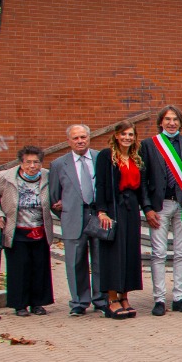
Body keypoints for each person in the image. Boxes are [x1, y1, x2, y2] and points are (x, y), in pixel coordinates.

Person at [138, 106, 182, 314]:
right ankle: (159, 299)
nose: (171, 123)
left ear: (181, 123)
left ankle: (179, 297)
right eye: (167, 119)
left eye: (175, 119)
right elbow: (143, 179)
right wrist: (147, 208)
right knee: (158, 253)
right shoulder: (149, 144)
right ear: (161, 122)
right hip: (159, 205)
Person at [0, 146, 55, 316]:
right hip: (16, 230)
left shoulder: (48, 176)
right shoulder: (6, 177)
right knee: (19, 268)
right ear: (21, 163)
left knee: (40, 266)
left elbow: (57, 194)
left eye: (36, 162)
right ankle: (20, 304)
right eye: (28, 162)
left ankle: (37, 303)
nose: (32, 166)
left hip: (40, 229)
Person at [92, 122, 151, 319]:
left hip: (131, 207)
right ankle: (111, 298)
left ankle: (124, 295)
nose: (127, 137)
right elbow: (100, 184)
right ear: (116, 135)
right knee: (113, 252)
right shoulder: (106, 156)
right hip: (112, 207)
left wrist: (148, 209)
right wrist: (101, 211)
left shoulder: (136, 158)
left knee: (129, 252)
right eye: (124, 134)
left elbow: (141, 188)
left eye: (131, 134)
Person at [49, 125, 104, 316]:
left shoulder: (101, 158)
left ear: (89, 138)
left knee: (100, 259)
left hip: (97, 215)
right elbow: (54, 197)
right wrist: (66, 213)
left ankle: (101, 298)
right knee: (75, 261)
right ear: (69, 141)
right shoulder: (58, 164)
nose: (80, 141)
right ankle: (79, 302)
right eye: (76, 138)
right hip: (73, 217)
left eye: (83, 137)